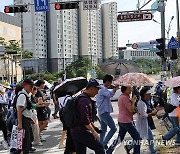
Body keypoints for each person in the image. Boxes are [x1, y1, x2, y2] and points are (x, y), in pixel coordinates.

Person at [71, 78, 105, 154]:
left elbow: (87, 118)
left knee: (81, 152)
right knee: (99, 147)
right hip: (81, 131)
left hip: (74, 131)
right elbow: (85, 119)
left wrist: (94, 128)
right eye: (97, 90)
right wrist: (93, 132)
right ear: (91, 88)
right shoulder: (85, 100)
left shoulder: (80, 97)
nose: (97, 92)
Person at [96, 75, 118, 148]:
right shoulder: (102, 89)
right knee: (113, 128)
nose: (111, 83)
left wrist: (115, 89)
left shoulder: (103, 89)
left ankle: (101, 144)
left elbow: (110, 94)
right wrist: (115, 89)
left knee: (103, 130)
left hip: (102, 112)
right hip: (104, 112)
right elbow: (109, 95)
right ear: (107, 81)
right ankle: (104, 143)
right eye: (110, 81)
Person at [117, 86, 141, 154]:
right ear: (124, 90)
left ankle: (109, 151)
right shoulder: (124, 97)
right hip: (126, 121)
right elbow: (130, 109)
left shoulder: (123, 96)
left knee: (120, 138)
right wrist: (133, 101)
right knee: (137, 137)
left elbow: (128, 110)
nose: (130, 90)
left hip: (122, 120)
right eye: (129, 89)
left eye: (131, 89)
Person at [16, 79, 36, 154]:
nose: (32, 87)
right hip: (23, 121)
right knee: (26, 141)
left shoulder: (27, 95)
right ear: (25, 85)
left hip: (26, 120)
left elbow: (26, 110)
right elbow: (19, 110)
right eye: (31, 86)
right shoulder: (22, 95)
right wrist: (20, 123)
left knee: (25, 141)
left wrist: (30, 119)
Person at [136, 87, 157, 154]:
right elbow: (143, 115)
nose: (150, 95)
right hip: (143, 122)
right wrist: (151, 114)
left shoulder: (144, 102)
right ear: (145, 95)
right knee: (149, 137)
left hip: (144, 122)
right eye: (149, 94)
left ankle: (129, 146)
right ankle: (153, 152)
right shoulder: (142, 103)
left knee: (141, 136)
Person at [58, 85, 77, 153]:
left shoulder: (60, 98)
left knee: (66, 130)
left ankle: (66, 146)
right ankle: (69, 148)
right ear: (73, 92)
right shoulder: (71, 99)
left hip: (62, 115)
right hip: (68, 116)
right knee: (69, 132)